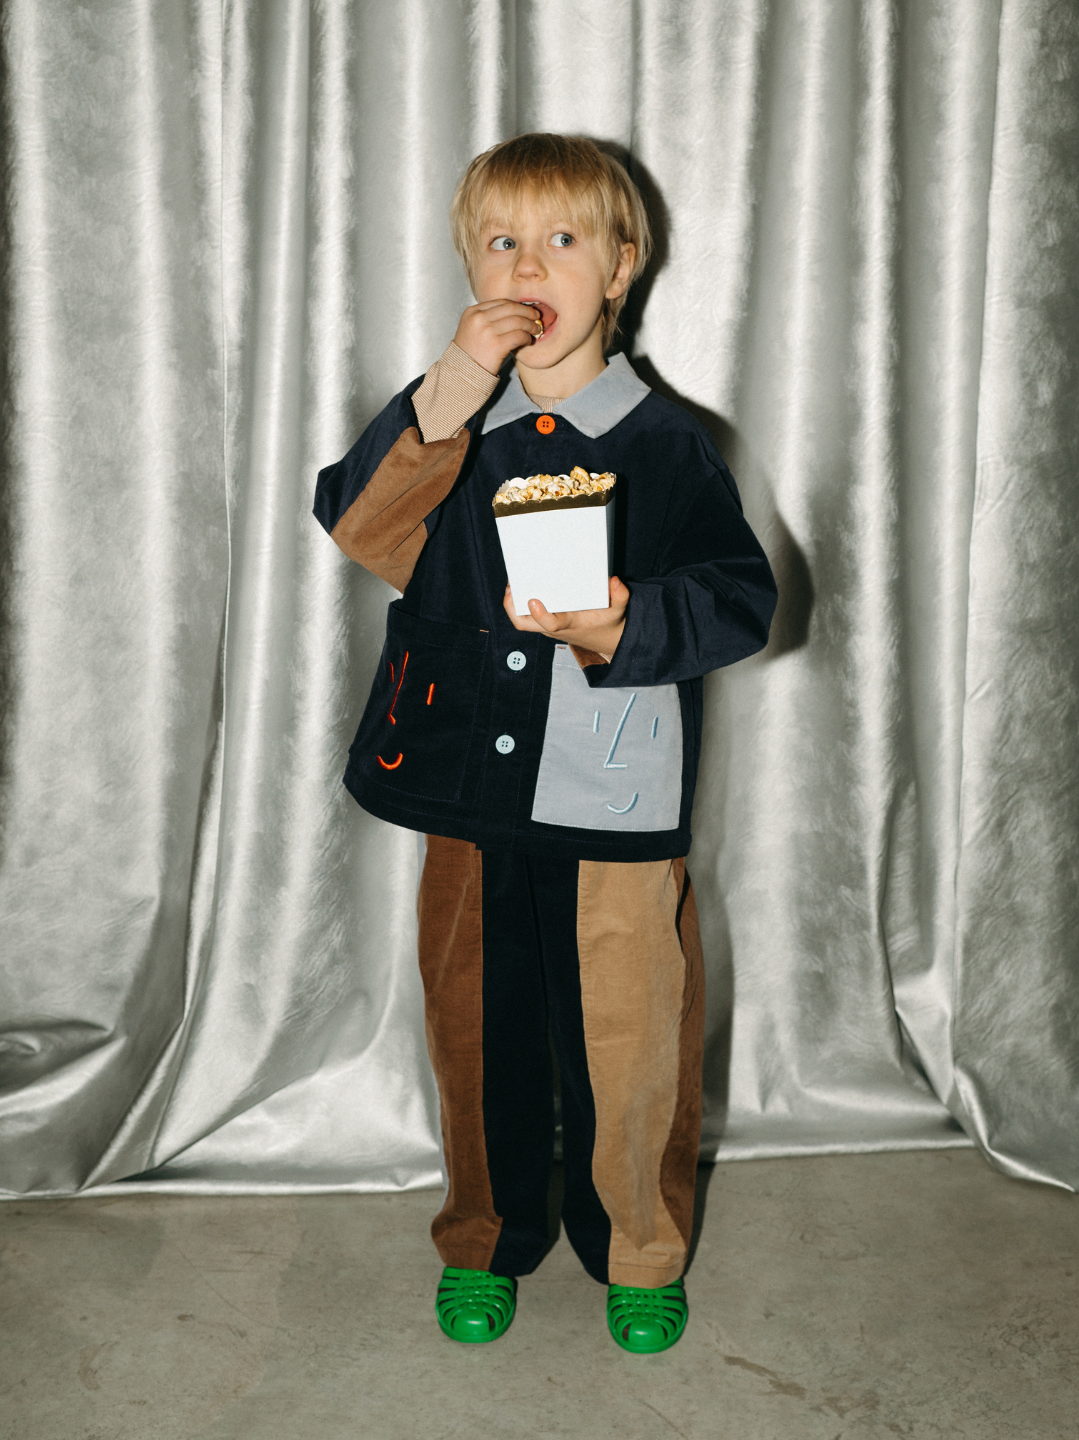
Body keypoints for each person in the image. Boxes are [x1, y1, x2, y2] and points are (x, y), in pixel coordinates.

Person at [313, 133, 776, 1353]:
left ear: (620, 267)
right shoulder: (453, 429)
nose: (529, 263)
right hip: (467, 782)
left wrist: (635, 621)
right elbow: (361, 527)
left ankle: (639, 1248)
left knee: (630, 1039)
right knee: (475, 1027)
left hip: (613, 792)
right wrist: (446, 394)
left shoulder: (669, 445)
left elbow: (743, 597)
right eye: (501, 241)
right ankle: (484, 1236)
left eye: (562, 239)